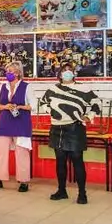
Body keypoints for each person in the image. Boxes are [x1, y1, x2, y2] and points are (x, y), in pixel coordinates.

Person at [39, 62, 102, 205]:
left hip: (75, 128)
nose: (67, 72)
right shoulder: (53, 89)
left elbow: (97, 102)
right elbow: (43, 102)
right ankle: (62, 191)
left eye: (70, 70)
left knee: (77, 161)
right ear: (60, 74)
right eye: (64, 70)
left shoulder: (83, 88)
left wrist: (89, 116)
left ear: (74, 73)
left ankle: (82, 194)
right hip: (57, 128)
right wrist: (51, 112)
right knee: (60, 162)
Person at [0, 61, 34, 193]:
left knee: (22, 153)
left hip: (21, 124)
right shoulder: (3, 87)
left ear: (18, 73)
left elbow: (33, 105)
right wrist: (5, 106)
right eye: (7, 71)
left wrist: (20, 106)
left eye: (10, 71)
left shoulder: (27, 87)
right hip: (4, 124)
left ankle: (23, 181)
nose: (8, 74)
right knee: (1, 153)